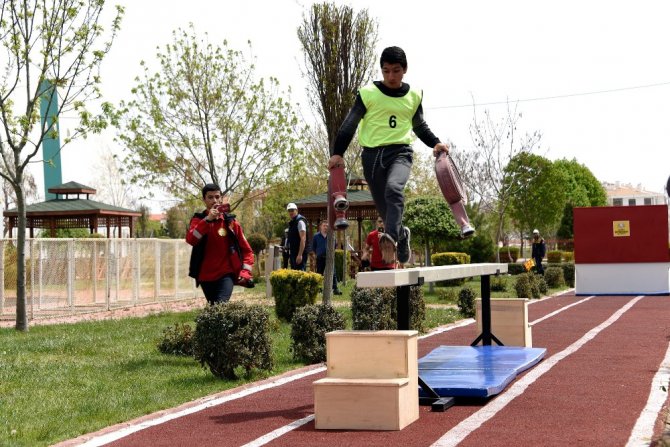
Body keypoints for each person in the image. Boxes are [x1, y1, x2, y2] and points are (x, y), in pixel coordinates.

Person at [329, 46, 451, 265]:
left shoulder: (413, 95)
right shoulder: (368, 94)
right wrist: (338, 153)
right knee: (386, 213)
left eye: (396, 71)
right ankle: (402, 234)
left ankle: (392, 237)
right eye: (386, 71)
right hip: (372, 156)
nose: (391, 76)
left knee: (394, 189)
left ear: (405, 69)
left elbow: (419, 125)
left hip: (400, 153)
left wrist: (435, 143)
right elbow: (350, 124)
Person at [186, 183, 254, 304]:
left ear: (221, 198)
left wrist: (245, 272)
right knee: (215, 310)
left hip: (226, 274)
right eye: (210, 197)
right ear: (204, 200)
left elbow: (247, 250)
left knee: (221, 306)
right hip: (205, 276)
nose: (214, 200)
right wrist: (207, 220)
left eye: (217, 197)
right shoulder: (198, 220)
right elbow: (191, 240)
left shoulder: (231, 223)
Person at [312, 221, 342, 295]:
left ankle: (335, 289)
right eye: (324, 226)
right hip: (320, 257)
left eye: (327, 226)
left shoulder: (331, 235)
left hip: (329, 258)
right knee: (319, 273)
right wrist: (314, 258)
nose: (326, 227)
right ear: (320, 227)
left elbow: (334, 246)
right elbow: (313, 248)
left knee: (333, 273)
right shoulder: (316, 236)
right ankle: (318, 288)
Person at [286, 202, 310, 271]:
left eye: (292, 210)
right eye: (289, 211)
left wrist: (300, 255)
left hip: (299, 254)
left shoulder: (300, 221)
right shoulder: (293, 222)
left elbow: (303, 239)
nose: (291, 212)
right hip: (294, 253)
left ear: (296, 210)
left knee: (300, 274)